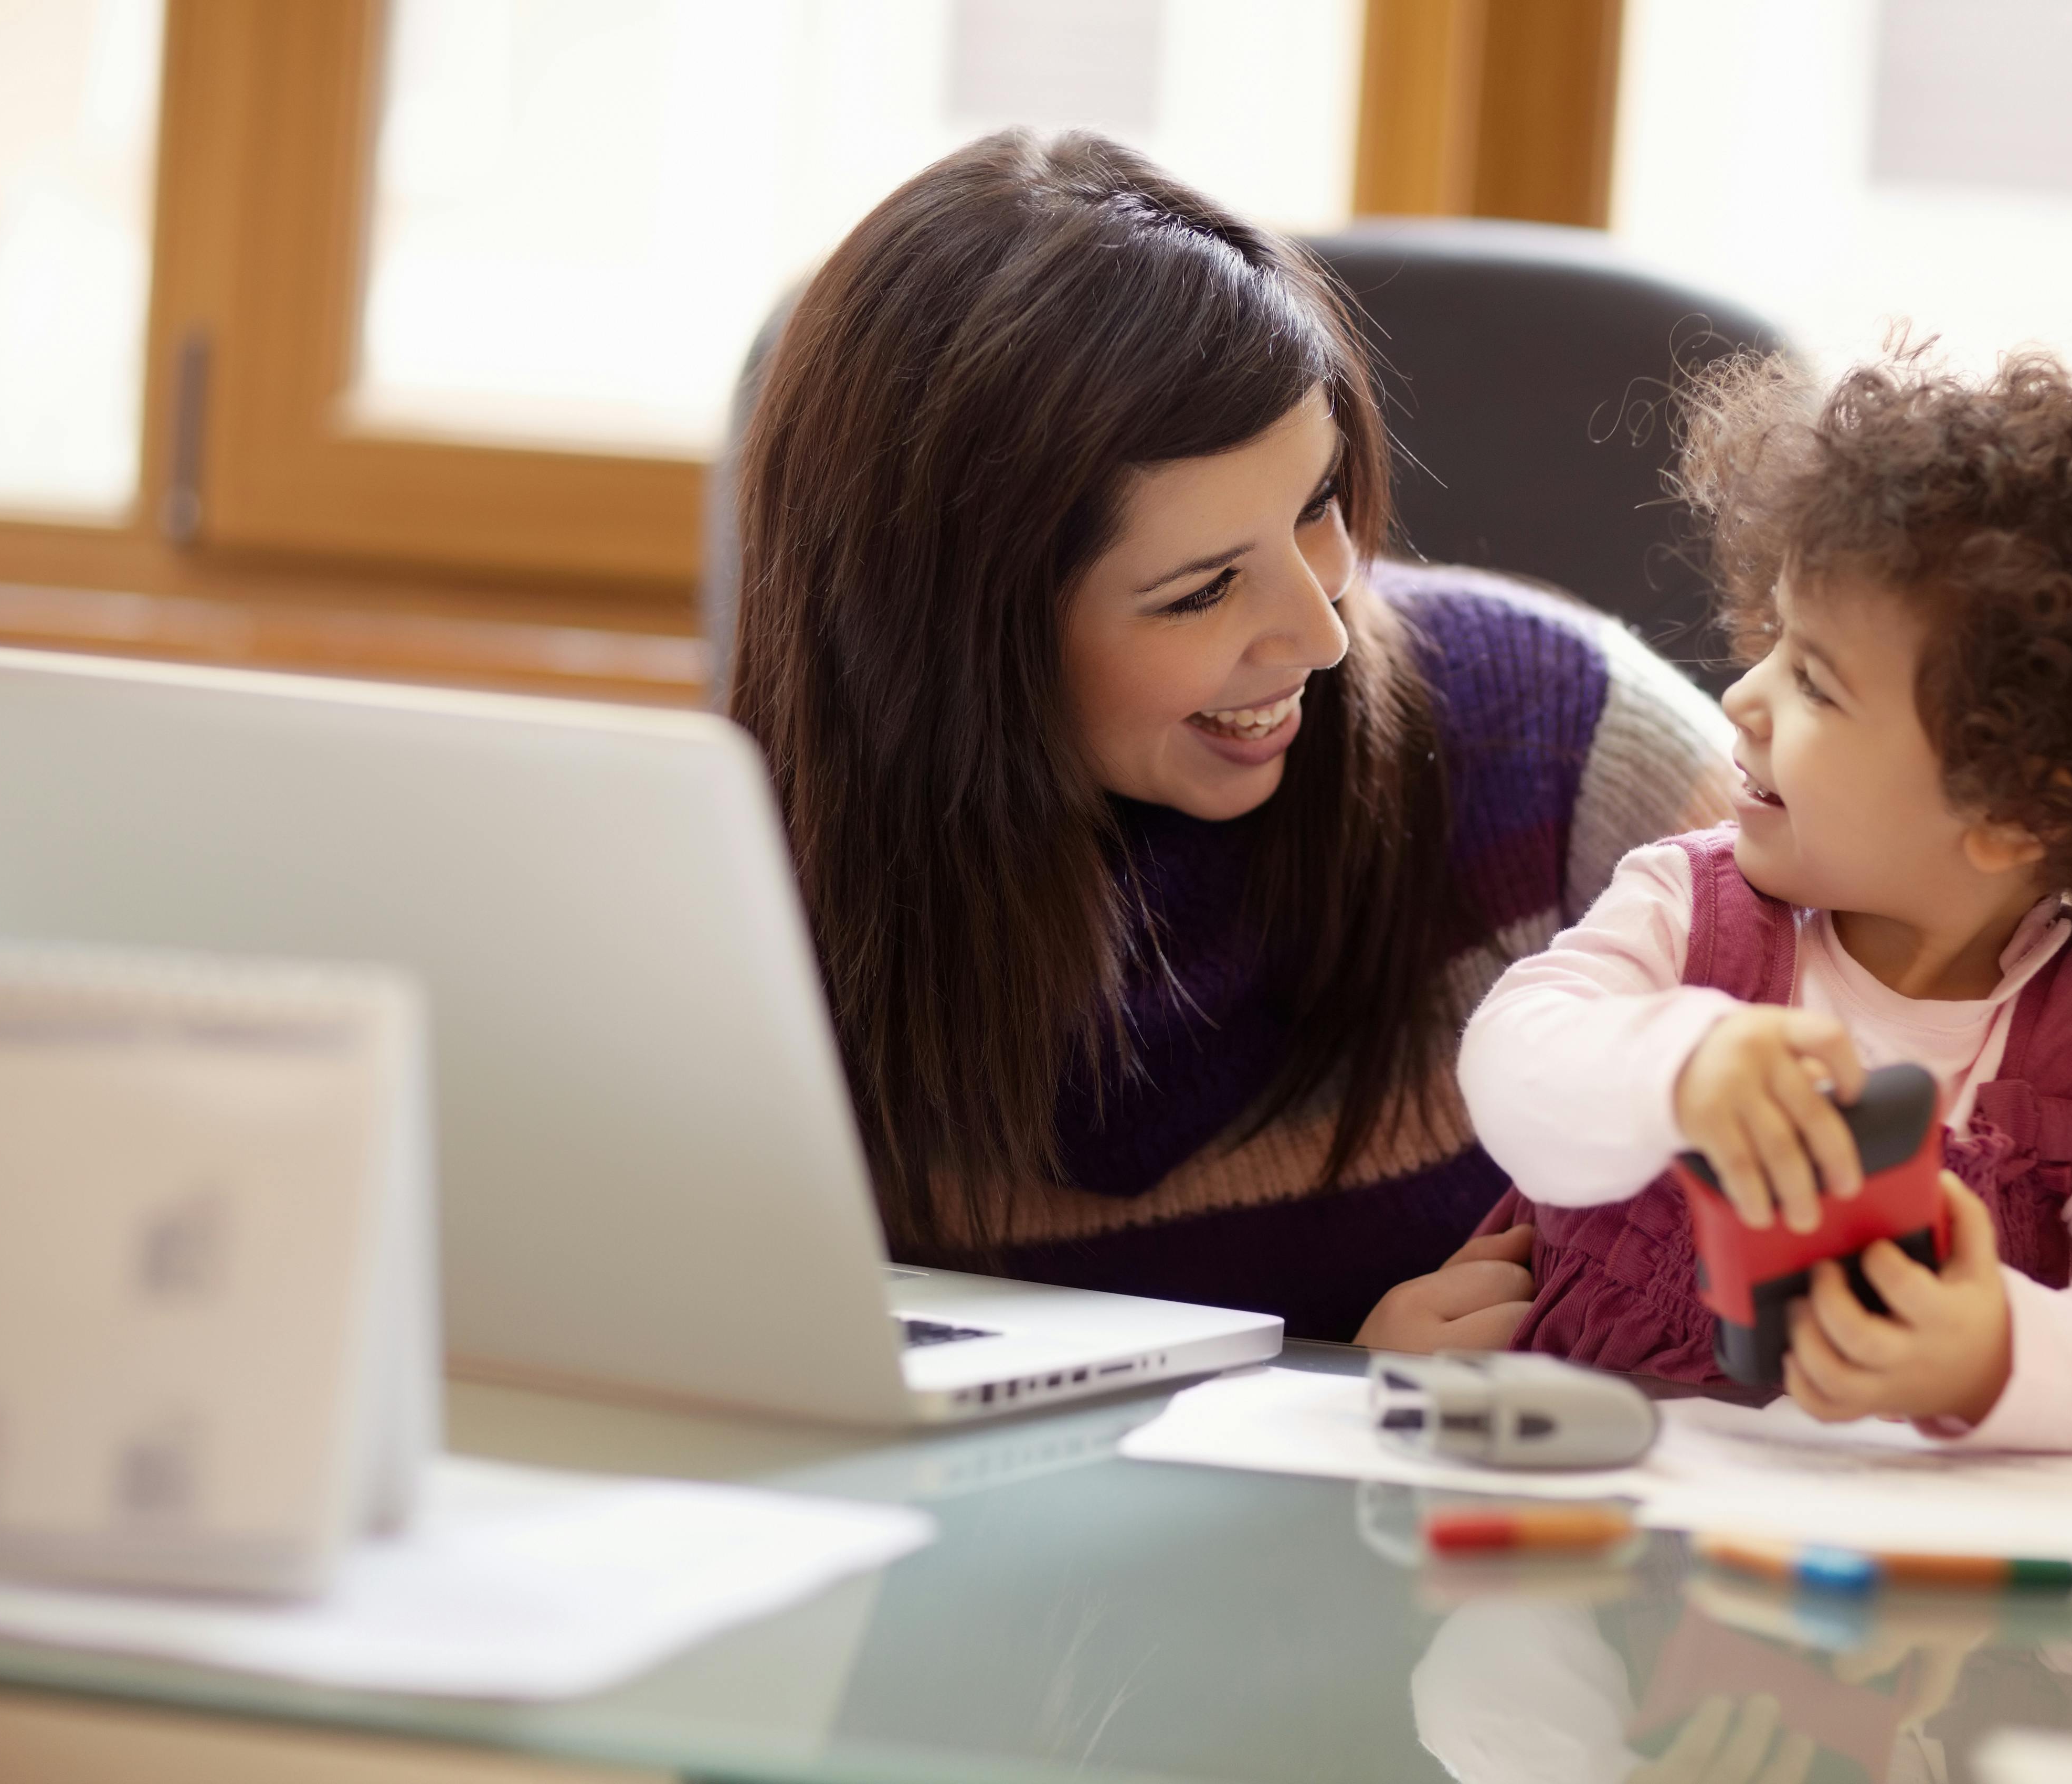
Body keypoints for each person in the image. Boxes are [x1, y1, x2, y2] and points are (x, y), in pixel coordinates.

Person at [729, 129, 1730, 1342]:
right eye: (1202, 589)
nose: (1324, 633)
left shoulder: (1567, 739)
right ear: (948, 640)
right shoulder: (744, 894)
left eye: (1319, 504)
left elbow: (1906, 1135)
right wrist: (1333, 1394)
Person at [1456, 347, 2072, 1447]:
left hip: (1911, 1545)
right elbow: (1510, 1062)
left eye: (1815, 680)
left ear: (2017, 809)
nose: (1742, 696)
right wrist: (1680, 1068)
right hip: (1608, 1512)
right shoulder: (1687, 910)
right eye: (1774, 642)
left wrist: (1996, 1353)